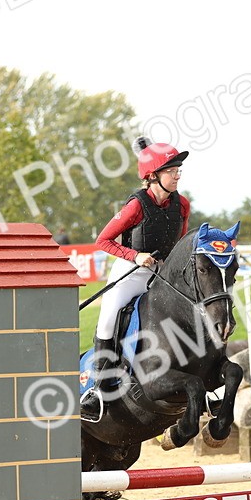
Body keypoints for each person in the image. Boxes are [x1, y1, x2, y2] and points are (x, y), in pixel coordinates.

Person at [81, 137, 191, 417]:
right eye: (171, 171)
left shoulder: (183, 205)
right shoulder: (136, 206)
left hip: (161, 276)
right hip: (129, 273)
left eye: (178, 170)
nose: (177, 175)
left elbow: (179, 243)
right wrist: (136, 256)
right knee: (107, 321)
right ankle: (97, 390)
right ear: (153, 176)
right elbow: (103, 240)